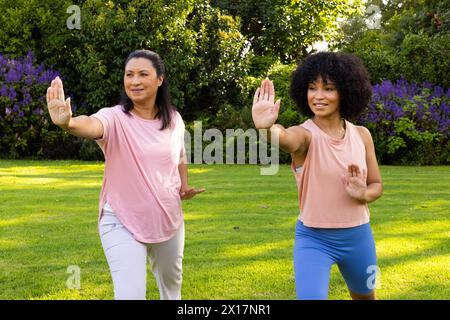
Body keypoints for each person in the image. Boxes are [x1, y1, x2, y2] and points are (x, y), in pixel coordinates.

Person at [46, 49, 205, 300]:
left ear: (160, 79)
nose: (135, 81)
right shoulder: (114, 118)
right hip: (121, 220)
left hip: (168, 220)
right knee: (130, 295)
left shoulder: (174, 119)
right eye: (129, 74)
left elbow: (180, 156)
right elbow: (91, 124)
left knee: (172, 291)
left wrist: (184, 186)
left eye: (143, 74)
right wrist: (68, 123)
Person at [252, 51, 383, 300]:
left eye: (329, 89)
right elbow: (286, 138)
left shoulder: (363, 135)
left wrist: (363, 193)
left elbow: (376, 185)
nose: (318, 96)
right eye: (312, 88)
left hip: (359, 237)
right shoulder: (305, 135)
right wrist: (266, 128)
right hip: (314, 240)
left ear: (345, 92)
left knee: (367, 298)